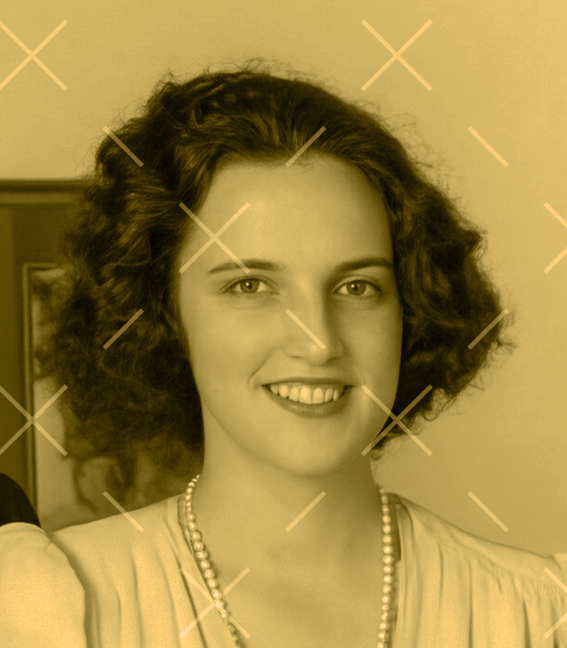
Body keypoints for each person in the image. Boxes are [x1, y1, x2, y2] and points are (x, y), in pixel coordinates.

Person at [0, 60, 565, 648]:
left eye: (357, 287)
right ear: (163, 315)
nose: (317, 340)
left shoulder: (538, 614)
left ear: (411, 309)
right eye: (250, 286)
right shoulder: (47, 608)